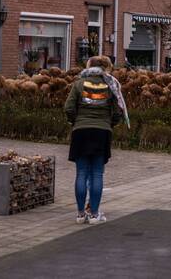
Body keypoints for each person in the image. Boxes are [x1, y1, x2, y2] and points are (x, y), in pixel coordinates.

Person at [65, 56, 127, 224]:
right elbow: (118, 111)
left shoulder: (79, 84)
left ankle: (80, 214)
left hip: (81, 131)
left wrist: (75, 121)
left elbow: (68, 108)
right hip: (102, 132)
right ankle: (94, 214)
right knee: (97, 173)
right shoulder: (110, 85)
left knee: (81, 173)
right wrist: (109, 124)